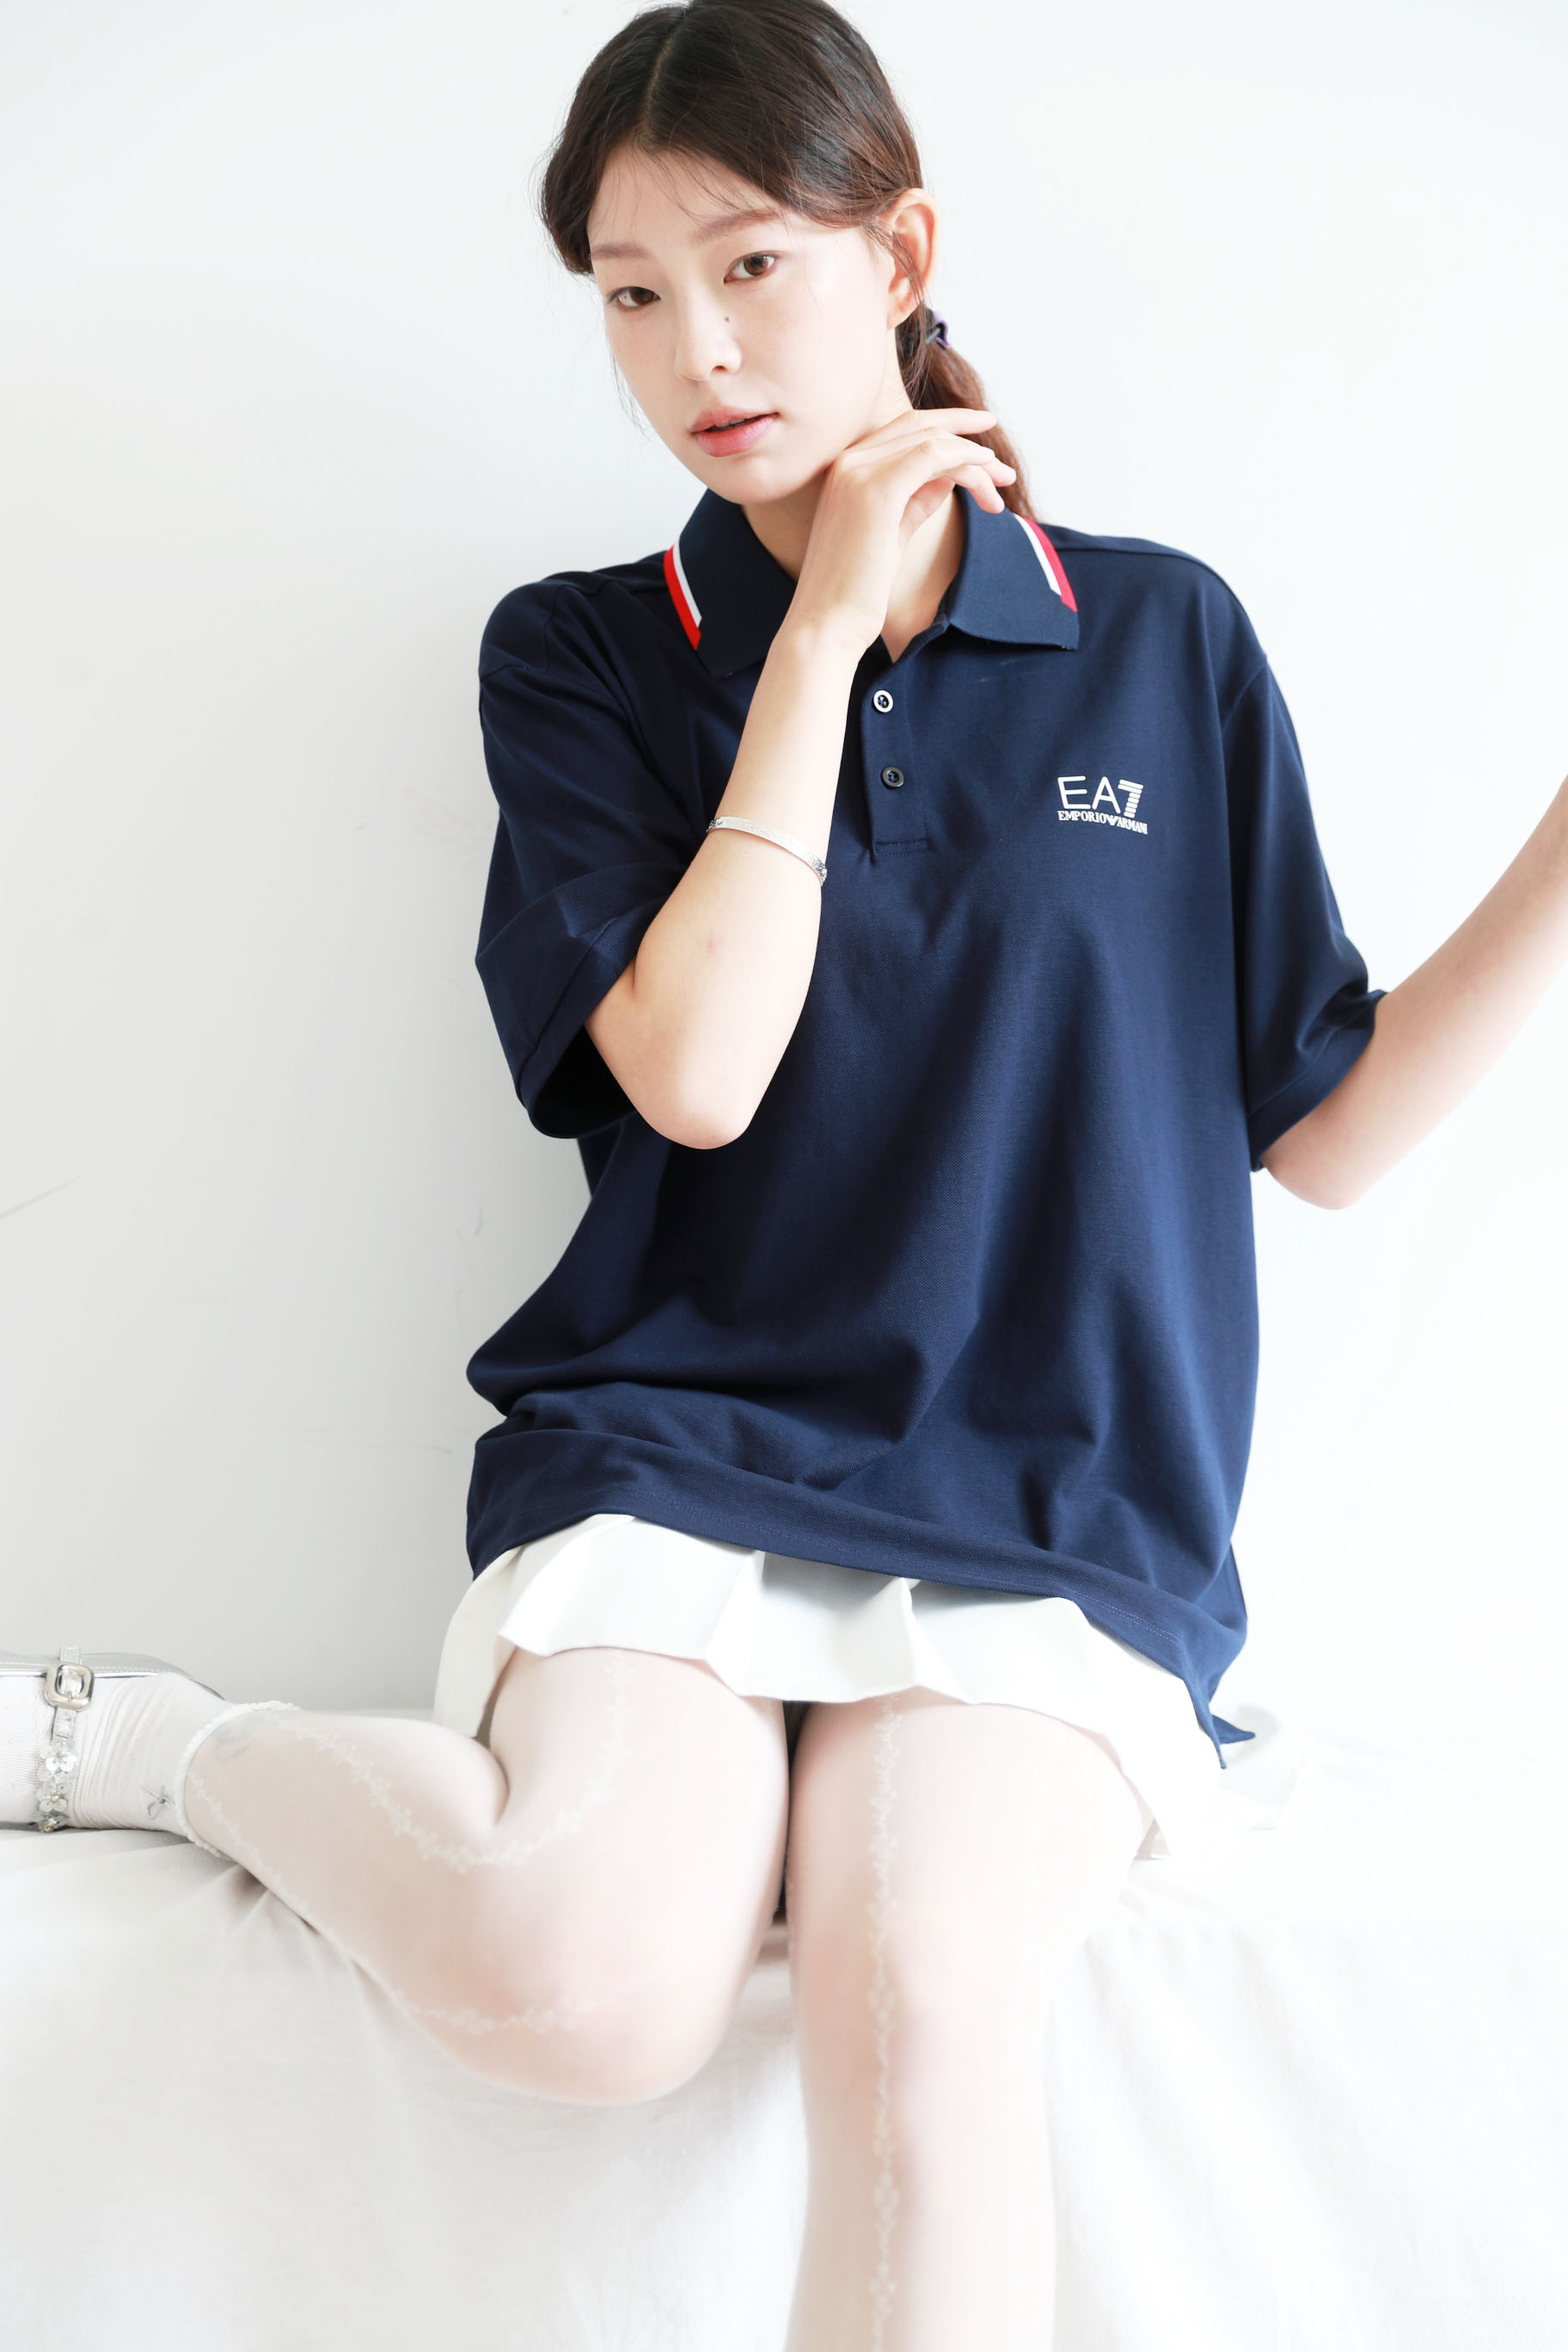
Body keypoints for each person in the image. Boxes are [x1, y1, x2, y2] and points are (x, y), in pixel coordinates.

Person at [4, 2, 1565, 2343]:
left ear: (899, 253)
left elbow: (1324, 1130)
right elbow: (701, 1077)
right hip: (685, 1458)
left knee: (925, 2000)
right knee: (577, 1981)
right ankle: (182, 1751)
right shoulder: (580, 659)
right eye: (633, 294)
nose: (698, 352)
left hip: (1055, 1502)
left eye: (751, 266)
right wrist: (823, 629)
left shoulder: (1159, 637)